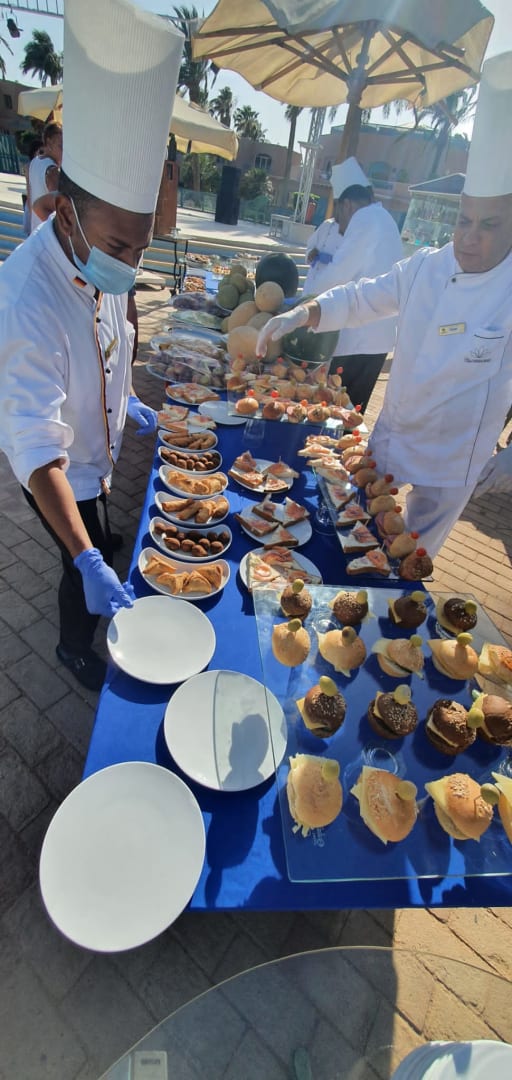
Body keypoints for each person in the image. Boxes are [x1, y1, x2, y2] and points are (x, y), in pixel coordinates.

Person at [256, 52, 512, 560]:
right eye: (464, 220)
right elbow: (360, 297)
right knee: (352, 534)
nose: (469, 237)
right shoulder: (426, 267)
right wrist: (302, 313)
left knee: (408, 560)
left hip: (454, 460)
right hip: (395, 437)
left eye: (488, 225)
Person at [0, 0, 183, 691]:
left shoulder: (96, 257)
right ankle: (73, 647)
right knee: (77, 559)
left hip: (96, 451)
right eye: (119, 245)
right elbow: (34, 447)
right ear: (66, 212)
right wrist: (84, 557)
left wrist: (128, 398)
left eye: (141, 246)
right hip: (59, 468)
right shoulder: (26, 298)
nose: (130, 264)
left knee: (100, 534)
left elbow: (115, 338)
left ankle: (94, 550)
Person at [302, 157, 403, 412]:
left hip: (358, 339)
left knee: (334, 414)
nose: (339, 226)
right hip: (375, 340)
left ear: (346, 205)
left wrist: (303, 307)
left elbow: (338, 274)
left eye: (338, 217)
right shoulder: (384, 218)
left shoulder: (365, 218)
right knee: (350, 413)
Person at [28, 121, 63, 232]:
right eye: (61, 146)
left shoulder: (34, 162)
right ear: (49, 143)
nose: (64, 151)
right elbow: (58, 208)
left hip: (36, 230)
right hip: (48, 233)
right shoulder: (52, 171)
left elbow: (30, 200)